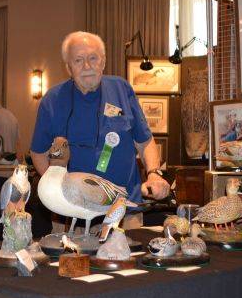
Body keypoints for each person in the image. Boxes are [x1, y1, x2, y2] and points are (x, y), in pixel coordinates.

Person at [29, 31, 171, 229]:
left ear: (103, 61)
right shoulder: (52, 100)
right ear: (68, 67)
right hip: (73, 217)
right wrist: (60, 191)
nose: (87, 66)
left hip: (124, 212)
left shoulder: (122, 89)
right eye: (78, 60)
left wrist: (154, 173)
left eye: (93, 58)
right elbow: (38, 152)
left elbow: (144, 140)